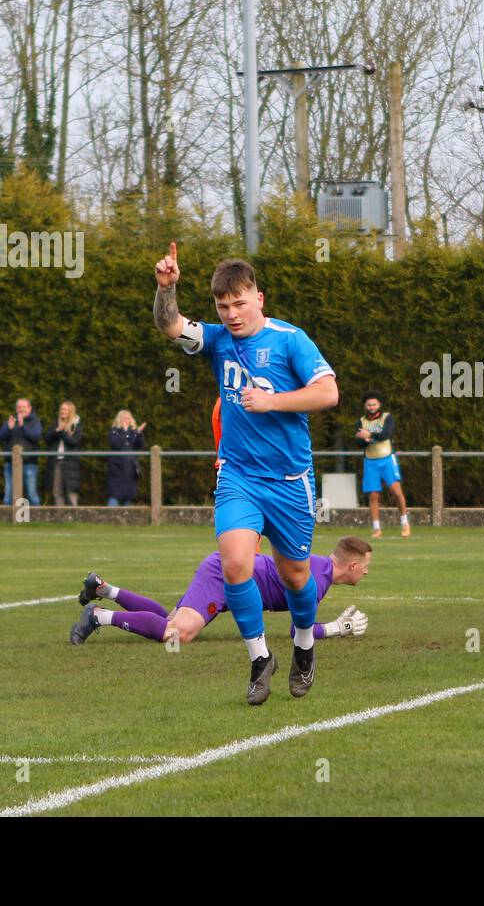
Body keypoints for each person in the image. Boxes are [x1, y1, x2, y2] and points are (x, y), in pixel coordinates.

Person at [153, 241, 338, 705]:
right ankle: (260, 658)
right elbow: (170, 325)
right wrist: (166, 289)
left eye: (239, 303)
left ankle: (303, 645)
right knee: (235, 564)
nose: (232, 313)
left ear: (259, 298)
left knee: (295, 575)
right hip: (238, 475)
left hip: (289, 480)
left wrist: (272, 400)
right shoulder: (217, 339)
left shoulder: (290, 340)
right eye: (223, 305)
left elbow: (328, 393)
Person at [69, 535, 373, 646]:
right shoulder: (317, 581)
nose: (368, 571)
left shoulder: (319, 566)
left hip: (226, 572)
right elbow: (299, 634)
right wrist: (338, 627)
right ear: (354, 566)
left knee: (168, 619)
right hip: (225, 577)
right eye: (366, 565)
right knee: (177, 634)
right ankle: (98, 615)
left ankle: (103, 589)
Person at [355, 391, 410, 538]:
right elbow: (359, 442)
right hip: (370, 462)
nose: (372, 407)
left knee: (396, 492)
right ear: (365, 406)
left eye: (374, 404)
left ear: (379, 405)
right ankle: (376, 528)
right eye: (369, 405)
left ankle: (405, 523)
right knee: (373, 495)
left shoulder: (387, 418)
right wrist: (363, 439)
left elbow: (386, 434)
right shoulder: (361, 421)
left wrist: (370, 435)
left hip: (386, 459)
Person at [0, 398, 42, 506]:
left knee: (32, 494)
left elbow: (36, 437)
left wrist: (23, 426)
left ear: (29, 408)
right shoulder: (11, 420)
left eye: (24, 407)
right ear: (16, 408)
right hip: (10, 463)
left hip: (29, 463)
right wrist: (9, 428)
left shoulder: (34, 421)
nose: (21, 409)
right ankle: (7, 522)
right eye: (19, 407)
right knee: (8, 495)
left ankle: (39, 520)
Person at [44, 400, 83, 506]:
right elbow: (47, 440)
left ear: (71, 411)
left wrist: (62, 432)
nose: (63, 411)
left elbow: (73, 442)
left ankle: (73, 517)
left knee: (71, 490)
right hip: (56, 461)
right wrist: (56, 431)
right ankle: (60, 517)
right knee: (57, 491)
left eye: (66, 409)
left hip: (71, 462)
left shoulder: (76, 426)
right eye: (61, 409)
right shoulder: (54, 424)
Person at [106, 410, 146, 506]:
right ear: (119, 419)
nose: (126, 420)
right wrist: (124, 432)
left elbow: (139, 446)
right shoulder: (114, 431)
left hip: (130, 470)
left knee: (129, 496)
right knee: (114, 495)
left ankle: (127, 519)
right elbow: (115, 444)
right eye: (124, 418)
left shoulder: (134, 432)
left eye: (128, 418)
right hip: (116, 469)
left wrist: (139, 434)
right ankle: (110, 517)